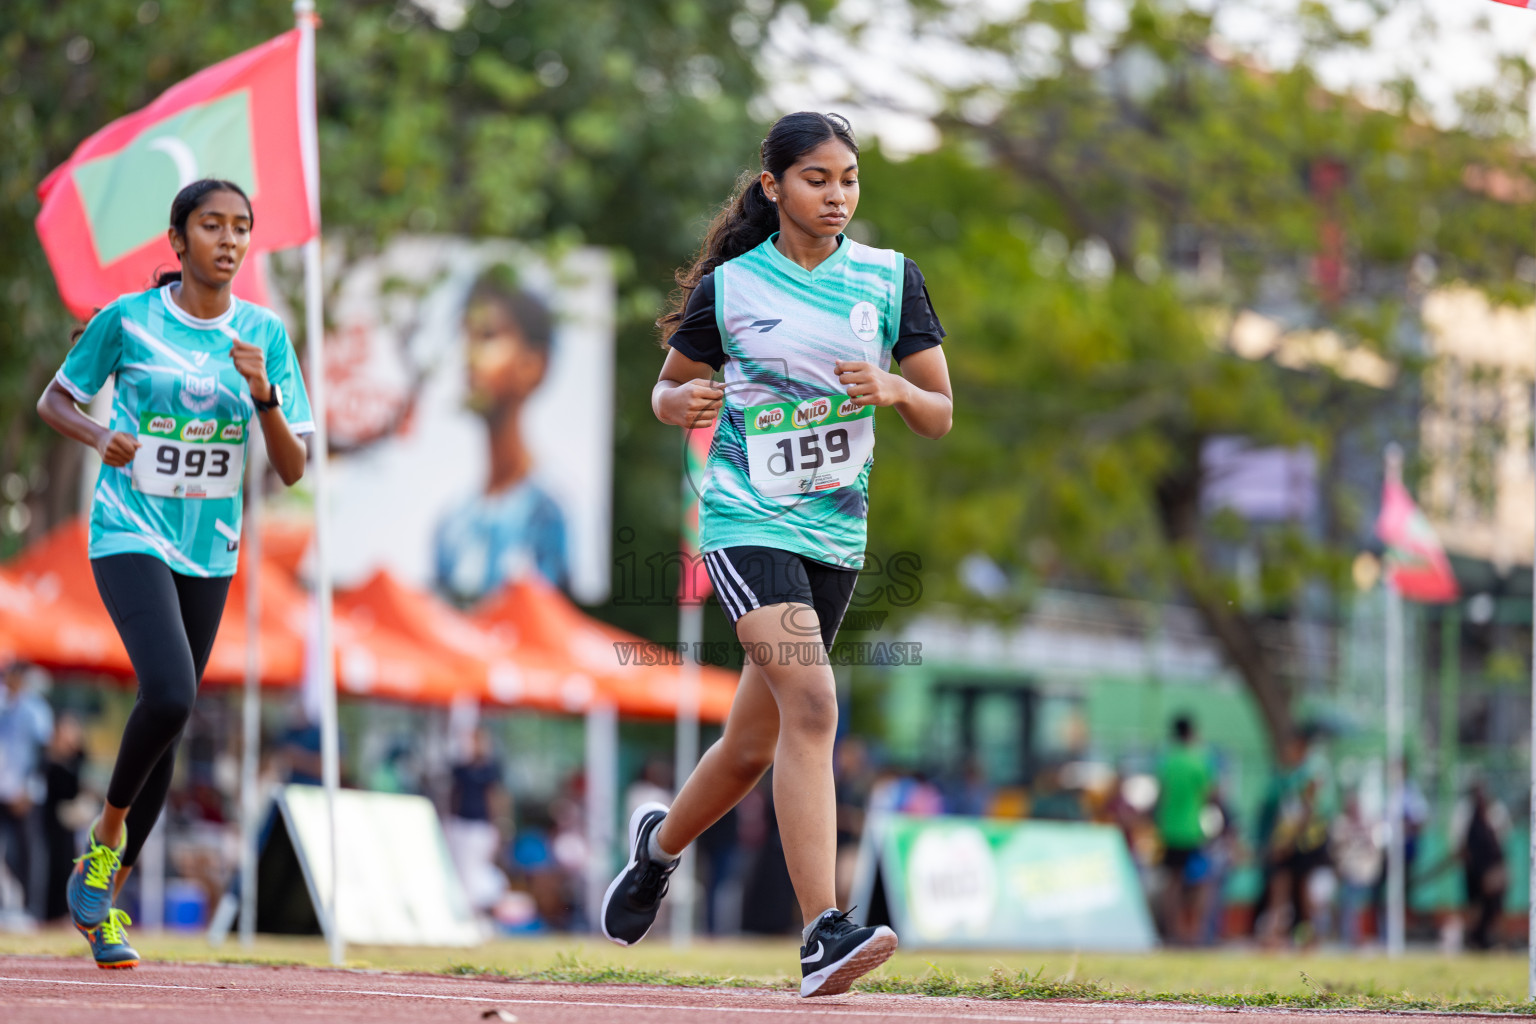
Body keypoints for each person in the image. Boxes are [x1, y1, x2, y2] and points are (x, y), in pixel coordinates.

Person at [599, 111, 953, 997]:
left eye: (849, 179)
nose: (836, 197)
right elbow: (669, 386)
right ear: (773, 187)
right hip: (746, 520)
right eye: (816, 179)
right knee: (815, 704)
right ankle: (822, 933)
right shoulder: (731, 288)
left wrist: (896, 385)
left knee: (757, 742)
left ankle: (658, 849)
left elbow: (940, 412)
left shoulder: (887, 278)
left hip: (836, 531)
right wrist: (676, 403)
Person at [36, 178, 313, 968]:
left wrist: (262, 395)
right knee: (169, 691)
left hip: (210, 544)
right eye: (211, 226)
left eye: (241, 229)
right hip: (129, 529)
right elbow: (57, 399)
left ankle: (103, 901)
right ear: (177, 238)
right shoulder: (126, 321)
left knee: (170, 721)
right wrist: (99, 436)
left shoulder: (265, 335)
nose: (228, 241)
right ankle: (108, 837)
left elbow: (293, 468)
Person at [434, 265, 569, 603]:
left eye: (488, 336)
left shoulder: (547, 513)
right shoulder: (452, 522)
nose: (470, 355)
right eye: (466, 335)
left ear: (533, 364)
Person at [1153, 714, 1214, 945]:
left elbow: (1161, 794)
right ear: (1191, 732)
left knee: (1172, 883)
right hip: (1193, 829)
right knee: (1200, 882)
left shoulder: (1167, 761)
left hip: (1169, 829)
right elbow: (1208, 794)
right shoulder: (1198, 761)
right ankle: (1194, 931)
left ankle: (1173, 931)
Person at [0, 662, 53, 922]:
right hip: (3, 788)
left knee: (28, 852)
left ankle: (32, 910)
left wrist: (29, 789)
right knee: (6, 855)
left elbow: (43, 754)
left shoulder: (35, 709)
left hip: (25, 794)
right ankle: (6, 908)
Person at [445, 727, 511, 914]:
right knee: (461, 869)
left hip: (481, 825)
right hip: (461, 823)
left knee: (477, 868)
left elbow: (494, 797)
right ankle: (463, 908)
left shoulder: (490, 769)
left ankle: (475, 908)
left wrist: (498, 824)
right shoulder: (461, 769)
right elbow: (454, 796)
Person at [42, 712, 88, 924]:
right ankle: (49, 914)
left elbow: (82, 764)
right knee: (51, 867)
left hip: (69, 826)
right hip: (50, 824)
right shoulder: (49, 761)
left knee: (68, 866)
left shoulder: (75, 761)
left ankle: (64, 912)